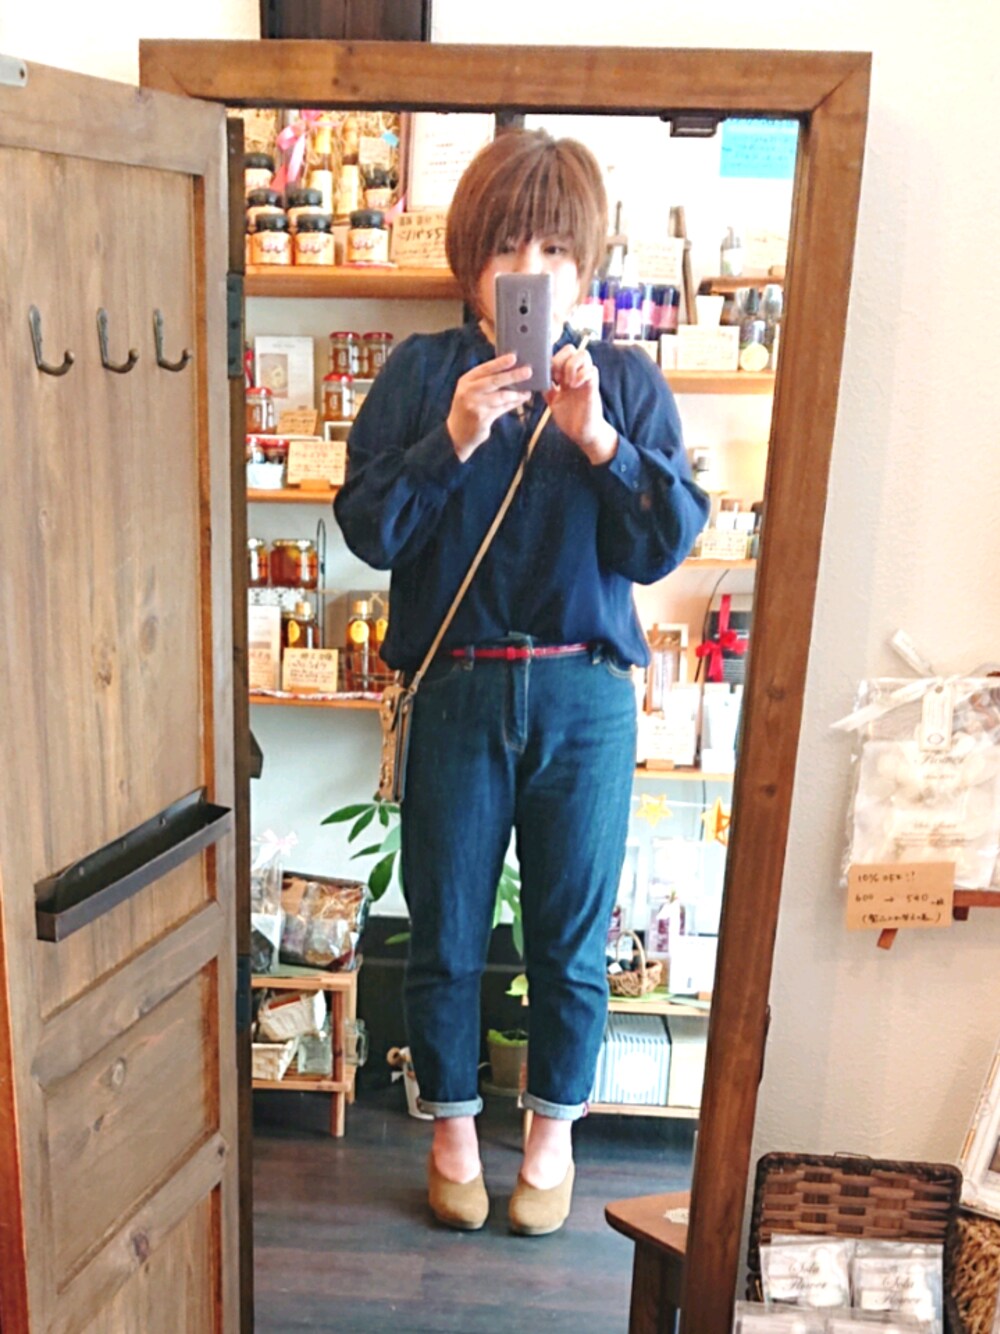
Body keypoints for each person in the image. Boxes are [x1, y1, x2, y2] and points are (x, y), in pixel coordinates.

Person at [334, 130, 708, 1235]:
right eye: (506, 247)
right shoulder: (421, 376)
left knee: (570, 936)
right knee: (445, 924)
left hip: (585, 696)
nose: (528, 270)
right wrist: (452, 436)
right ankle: (452, 1129)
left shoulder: (625, 383)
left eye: (552, 248)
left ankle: (551, 1133)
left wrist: (600, 442)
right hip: (457, 688)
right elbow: (368, 530)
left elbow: (664, 544)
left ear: (584, 267)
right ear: (471, 264)